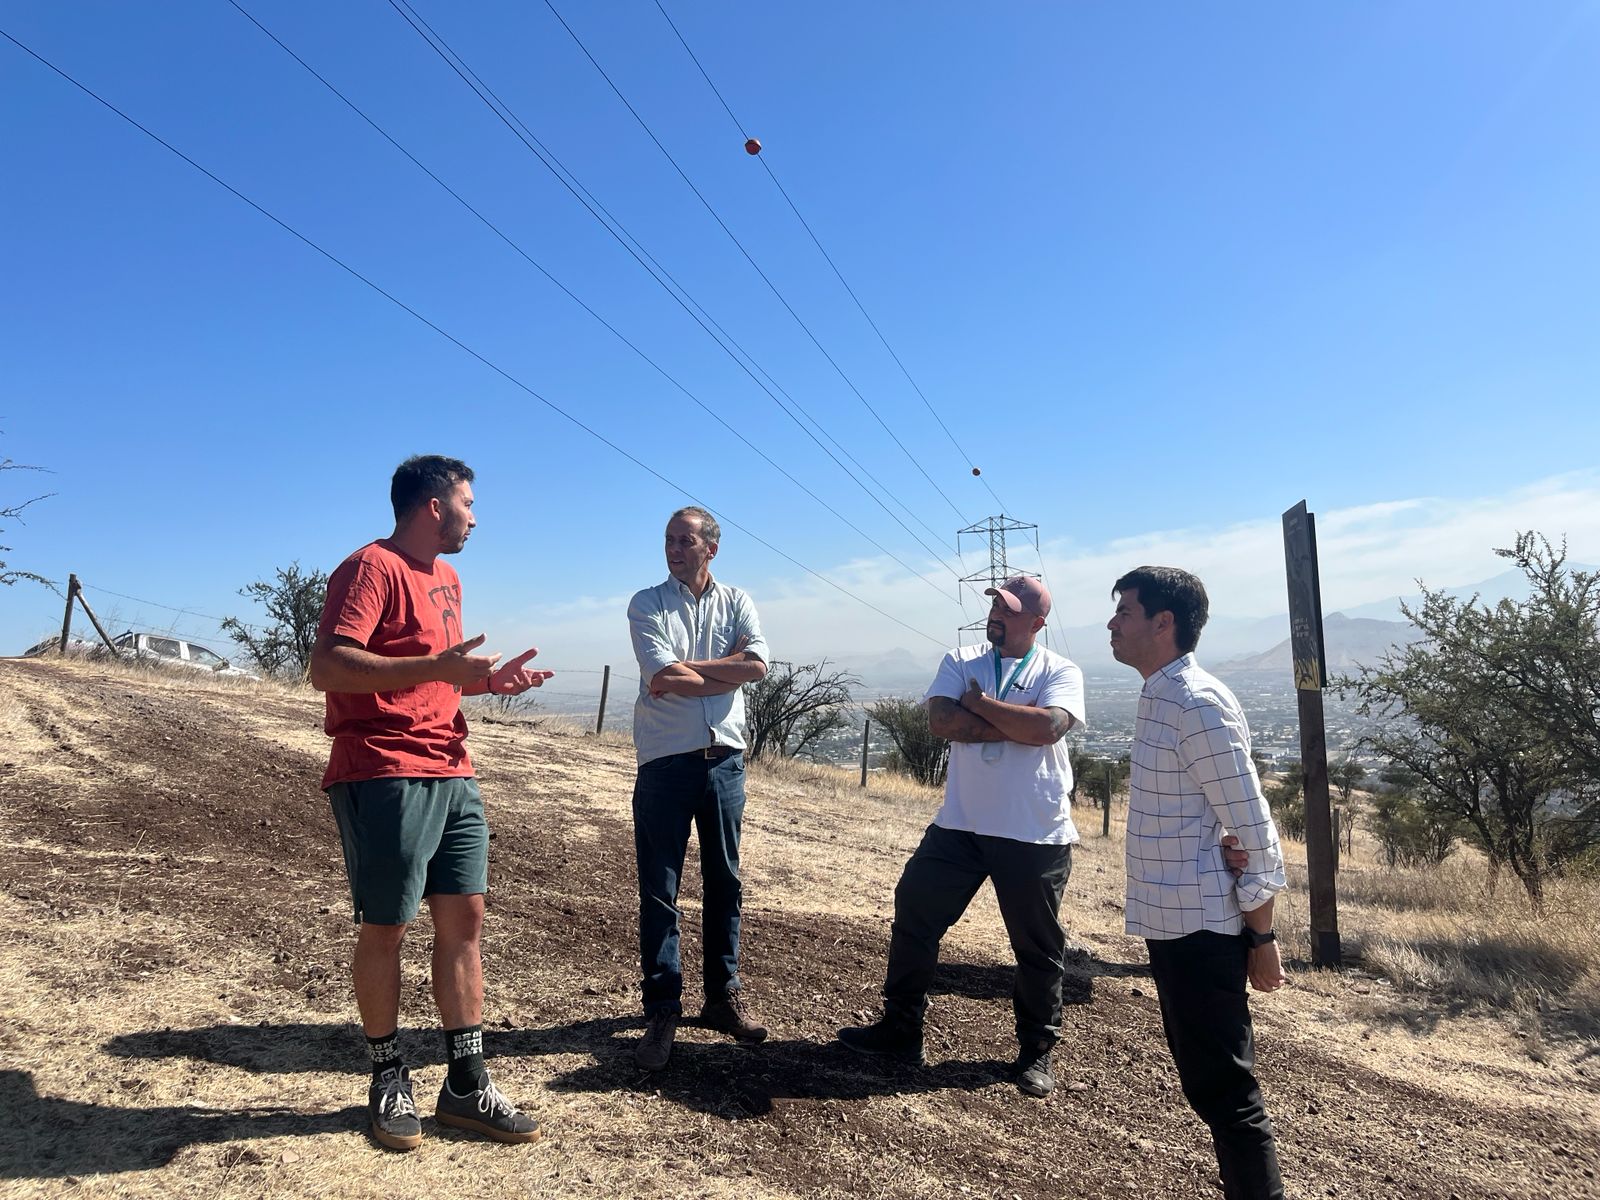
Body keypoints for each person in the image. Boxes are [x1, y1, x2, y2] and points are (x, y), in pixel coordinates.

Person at [310, 455, 553, 1151]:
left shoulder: (448, 577)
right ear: (433, 506)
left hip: (452, 765)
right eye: (468, 503)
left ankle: (466, 1085)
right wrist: (440, 668)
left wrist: (480, 684)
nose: (476, 516)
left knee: (465, 918)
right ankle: (389, 1075)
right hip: (383, 769)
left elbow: (428, 679)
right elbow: (328, 665)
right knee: (387, 926)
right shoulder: (370, 568)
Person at [837, 576, 1086, 1098]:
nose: (996, 611)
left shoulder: (1060, 670)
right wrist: (1013, 721)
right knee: (915, 911)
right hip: (960, 825)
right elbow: (941, 721)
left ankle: (1036, 1053)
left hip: (1033, 831)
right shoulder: (961, 658)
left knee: (1036, 946)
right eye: (995, 602)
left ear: (1037, 623)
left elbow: (1048, 730)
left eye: (1009, 608)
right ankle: (900, 1031)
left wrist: (984, 707)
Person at [1108, 566, 1288, 1200]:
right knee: (1210, 1087)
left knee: (1227, 1094)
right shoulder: (1161, 693)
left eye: (1124, 612)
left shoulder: (1194, 702)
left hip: (1201, 928)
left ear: (1165, 623)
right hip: (1175, 921)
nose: (1111, 624)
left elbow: (1253, 828)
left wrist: (1261, 937)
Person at [626, 506, 770, 1071]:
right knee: (660, 888)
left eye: (685, 540)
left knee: (725, 881)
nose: (674, 549)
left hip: (725, 763)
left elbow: (758, 666)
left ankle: (721, 998)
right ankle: (663, 1006)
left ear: (712, 547)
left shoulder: (738, 601)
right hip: (665, 763)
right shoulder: (647, 603)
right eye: (668, 540)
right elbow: (662, 676)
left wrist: (697, 669)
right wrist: (722, 668)